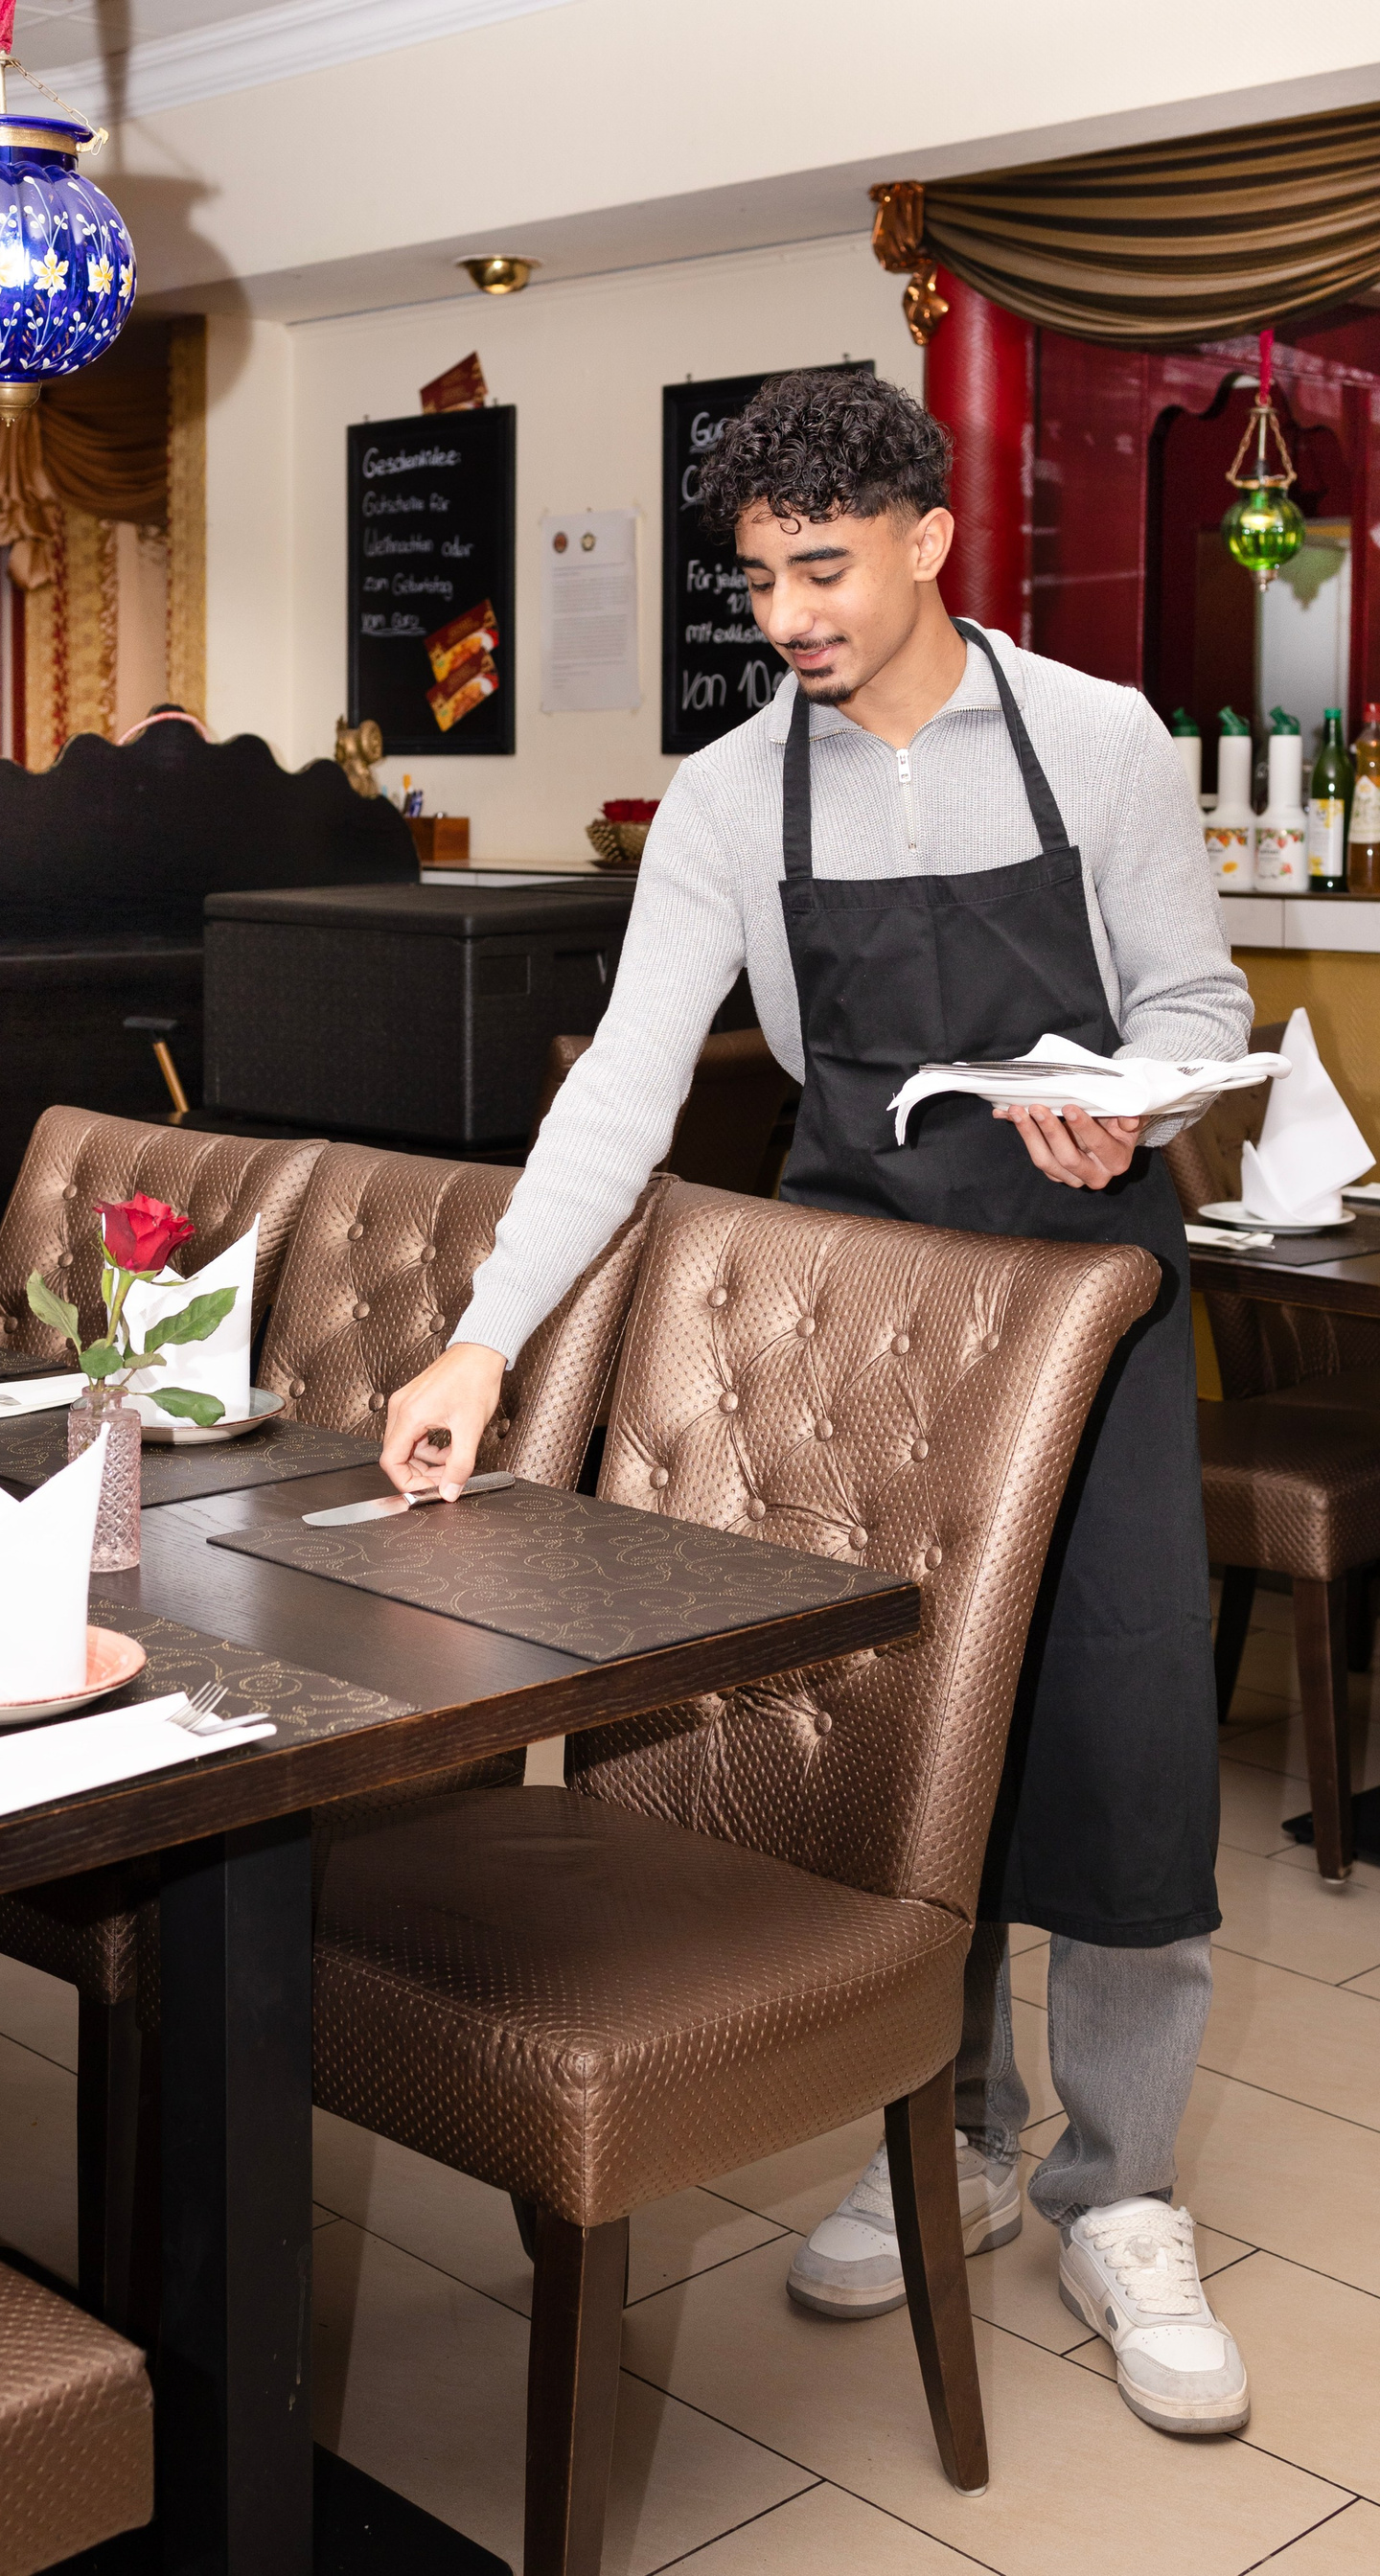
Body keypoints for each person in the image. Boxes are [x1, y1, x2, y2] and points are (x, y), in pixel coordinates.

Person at [380, 370, 1253, 2439]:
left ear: (930, 542)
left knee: (1126, 1742)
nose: (788, 615)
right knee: (898, 1759)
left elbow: (1199, 1004)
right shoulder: (724, 799)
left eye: (825, 569)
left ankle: (1123, 2193)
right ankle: (948, 2135)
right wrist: (486, 1337)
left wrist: (1126, 1103)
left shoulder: (1099, 739)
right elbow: (625, 1087)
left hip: (1097, 1307)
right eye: (761, 578)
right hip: (865, 1338)